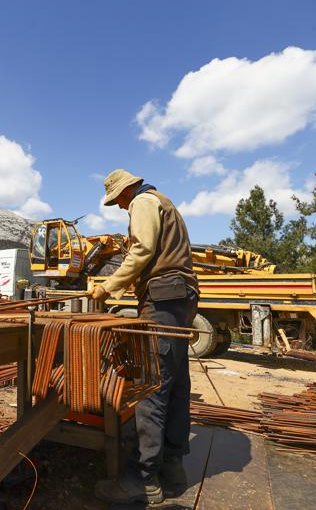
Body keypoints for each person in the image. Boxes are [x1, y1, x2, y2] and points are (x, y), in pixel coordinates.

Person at [89, 169, 199, 505]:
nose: (121, 207)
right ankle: (173, 471)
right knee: (175, 385)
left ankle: (142, 480)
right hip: (180, 298)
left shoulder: (143, 202)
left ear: (126, 191)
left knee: (150, 387)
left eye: (118, 201)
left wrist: (108, 286)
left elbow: (141, 250)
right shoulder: (164, 202)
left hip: (162, 298)